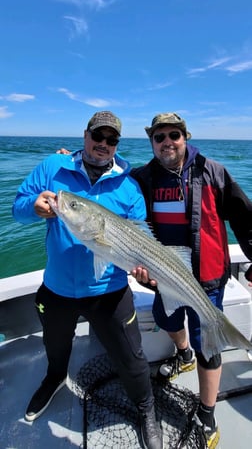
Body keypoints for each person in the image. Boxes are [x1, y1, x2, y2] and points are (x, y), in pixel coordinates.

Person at [12, 111, 162, 449]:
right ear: (85, 136)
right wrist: (32, 207)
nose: (103, 145)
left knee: (132, 358)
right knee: (56, 347)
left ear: (117, 145)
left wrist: (141, 268)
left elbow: (139, 238)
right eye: (98, 137)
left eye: (111, 141)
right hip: (57, 290)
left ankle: (146, 409)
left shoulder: (129, 187)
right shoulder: (53, 167)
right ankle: (53, 380)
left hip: (109, 292)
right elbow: (17, 206)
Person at [130, 113, 252, 449]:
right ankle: (182, 354)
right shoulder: (142, 177)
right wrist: (71, 158)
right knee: (166, 318)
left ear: (185, 137)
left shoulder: (212, 171)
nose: (167, 142)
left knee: (208, 344)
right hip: (163, 274)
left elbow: (244, 217)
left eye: (174, 135)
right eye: (159, 137)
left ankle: (208, 412)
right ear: (151, 142)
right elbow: (111, 182)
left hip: (207, 277)